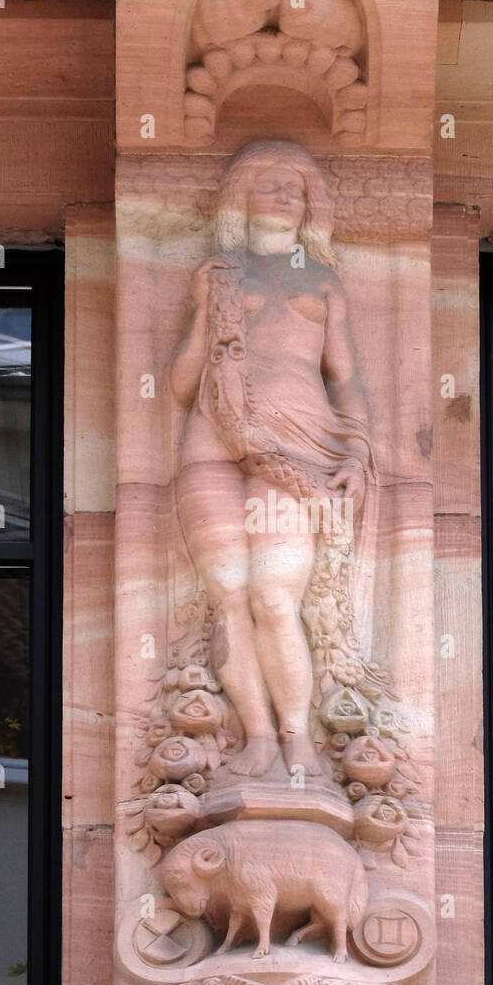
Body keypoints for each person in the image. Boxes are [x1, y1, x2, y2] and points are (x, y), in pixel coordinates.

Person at [170, 141, 372, 779]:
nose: (284, 194)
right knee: (229, 591)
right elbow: (180, 387)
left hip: (300, 444)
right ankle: (256, 736)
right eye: (269, 184)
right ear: (241, 197)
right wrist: (205, 311)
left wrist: (360, 450)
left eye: (295, 187)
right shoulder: (219, 274)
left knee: (274, 594)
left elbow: (344, 378)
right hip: (211, 438)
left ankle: (298, 740)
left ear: (311, 203)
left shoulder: (322, 280)